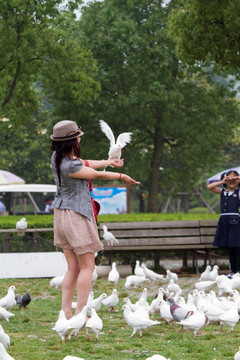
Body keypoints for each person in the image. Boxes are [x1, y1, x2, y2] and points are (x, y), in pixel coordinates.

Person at [50, 120, 140, 319]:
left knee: (73, 267)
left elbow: (87, 163)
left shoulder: (58, 157)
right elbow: (94, 173)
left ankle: (65, 311)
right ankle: (81, 312)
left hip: (61, 215)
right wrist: (120, 175)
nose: (81, 139)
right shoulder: (70, 165)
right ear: (72, 141)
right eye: (78, 137)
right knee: (87, 267)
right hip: (76, 216)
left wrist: (108, 162)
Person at [207, 169, 240, 278]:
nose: (232, 181)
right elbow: (209, 187)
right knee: (230, 248)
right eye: (229, 178)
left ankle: (237, 271)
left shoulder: (238, 193)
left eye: (234, 179)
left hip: (235, 222)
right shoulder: (222, 191)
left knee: (236, 247)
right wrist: (223, 182)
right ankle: (233, 271)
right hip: (224, 222)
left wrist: (238, 181)